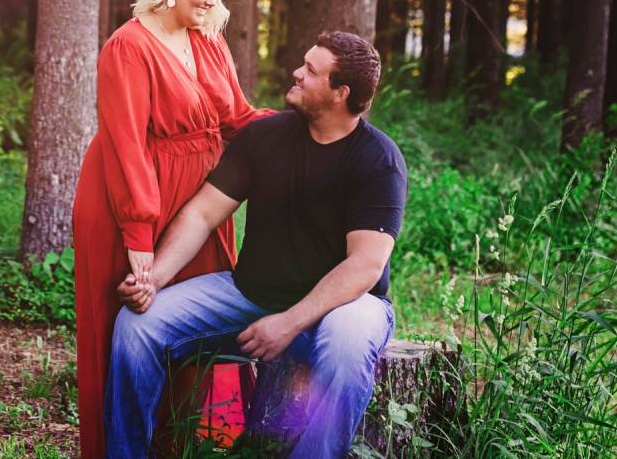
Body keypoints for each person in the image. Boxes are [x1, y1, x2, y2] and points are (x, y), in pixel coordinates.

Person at [105, 31, 406, 459]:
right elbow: (202, 214)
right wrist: (153, 279)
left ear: (341, 93)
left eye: (311, 71)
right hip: (249, 295)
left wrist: (289, 322)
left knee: (347, 344)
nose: (297, 73)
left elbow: (364, 267)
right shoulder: (264, 138)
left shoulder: (378, 161)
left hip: (342, 308)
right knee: (137, 325)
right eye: (304, 63)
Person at [71, 0, 274, 459]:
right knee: (133, 320)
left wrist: (305, 124)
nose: (212, 1)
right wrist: (138, 237)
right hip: (132, 197)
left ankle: (186, 445)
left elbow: (236, 119)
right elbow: (126, 147)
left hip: (200, 203)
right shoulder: (129, 46)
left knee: (192, 325)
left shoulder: (207, 40)